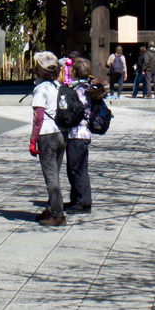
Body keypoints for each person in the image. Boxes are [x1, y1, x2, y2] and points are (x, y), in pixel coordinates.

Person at [28, 51, 67, 226]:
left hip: (47, 134)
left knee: (51, 177)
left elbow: (38, 117)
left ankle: (58, 215)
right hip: (62, 133)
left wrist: (33, 139)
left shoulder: (40, 89)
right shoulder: (59, 86)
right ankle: (51, 208)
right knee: (55, 174)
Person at [65, 61, 105, 213]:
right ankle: (76, 199)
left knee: (77, 168)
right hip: (78, 133)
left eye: (71, 69)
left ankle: (83, 202)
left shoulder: (81, 89)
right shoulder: (84, 87)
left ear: (75, 72)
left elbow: (78, 110)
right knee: (75, 168)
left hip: (78, 134)